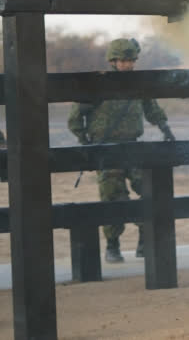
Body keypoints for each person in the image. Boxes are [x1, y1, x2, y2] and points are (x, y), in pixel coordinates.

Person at [68, 38, 176, 263]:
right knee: (112, 198)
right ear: (113, 61)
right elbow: (76, 116)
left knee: (149, 191)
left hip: (133, 147)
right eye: (123, 61)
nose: (127, 65)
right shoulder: (99, 84)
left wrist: (165, 129)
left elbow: (151, 108)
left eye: (130, 60)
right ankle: (112, 245)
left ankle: (144, 242)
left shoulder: (138, 83)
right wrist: (84, 141)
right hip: (107, 150)